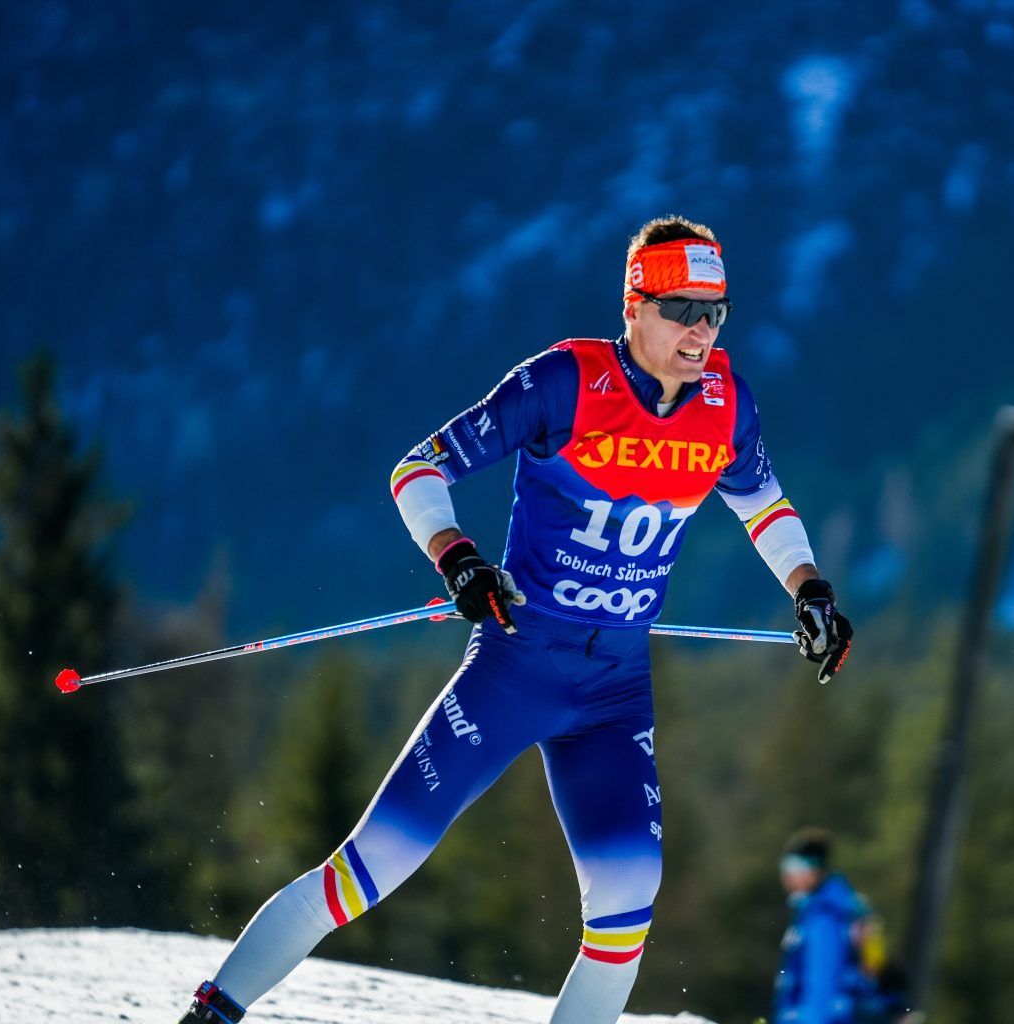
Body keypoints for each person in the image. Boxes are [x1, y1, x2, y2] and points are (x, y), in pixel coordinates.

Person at [178, 215, 855, 1024]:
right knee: (375, 863)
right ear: (634, 305)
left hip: (613, 694)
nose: (700, 330)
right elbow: (417, 468)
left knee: (627, 902)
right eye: (681, 308)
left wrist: (810, 588)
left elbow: (763, 503)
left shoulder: (725, 405)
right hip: (515, 669)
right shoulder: (564, 381)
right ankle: (216, 1009)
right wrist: (457, 556)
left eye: (716, 312)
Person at [773, 828, 902, 1024]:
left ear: (815, 870)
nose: (787, 876)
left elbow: (821, 985)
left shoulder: (825, 915)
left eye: (795, 868)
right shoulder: (833, 907)